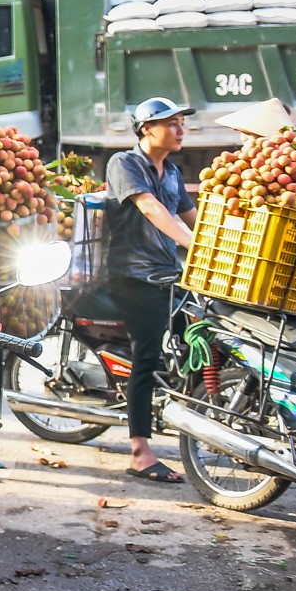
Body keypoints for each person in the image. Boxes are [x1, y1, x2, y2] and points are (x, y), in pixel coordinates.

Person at [105, 96, 197, 484]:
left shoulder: (172, 171)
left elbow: (193, 215)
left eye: (181, 122)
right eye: (171, 123)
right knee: (148, 354)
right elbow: (150, 208)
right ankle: (140, 451)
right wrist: (194, 244)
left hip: (169, 275)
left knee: (200, 341)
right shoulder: (125, 164)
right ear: (146, 129)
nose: (180, 129)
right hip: (133, 276)